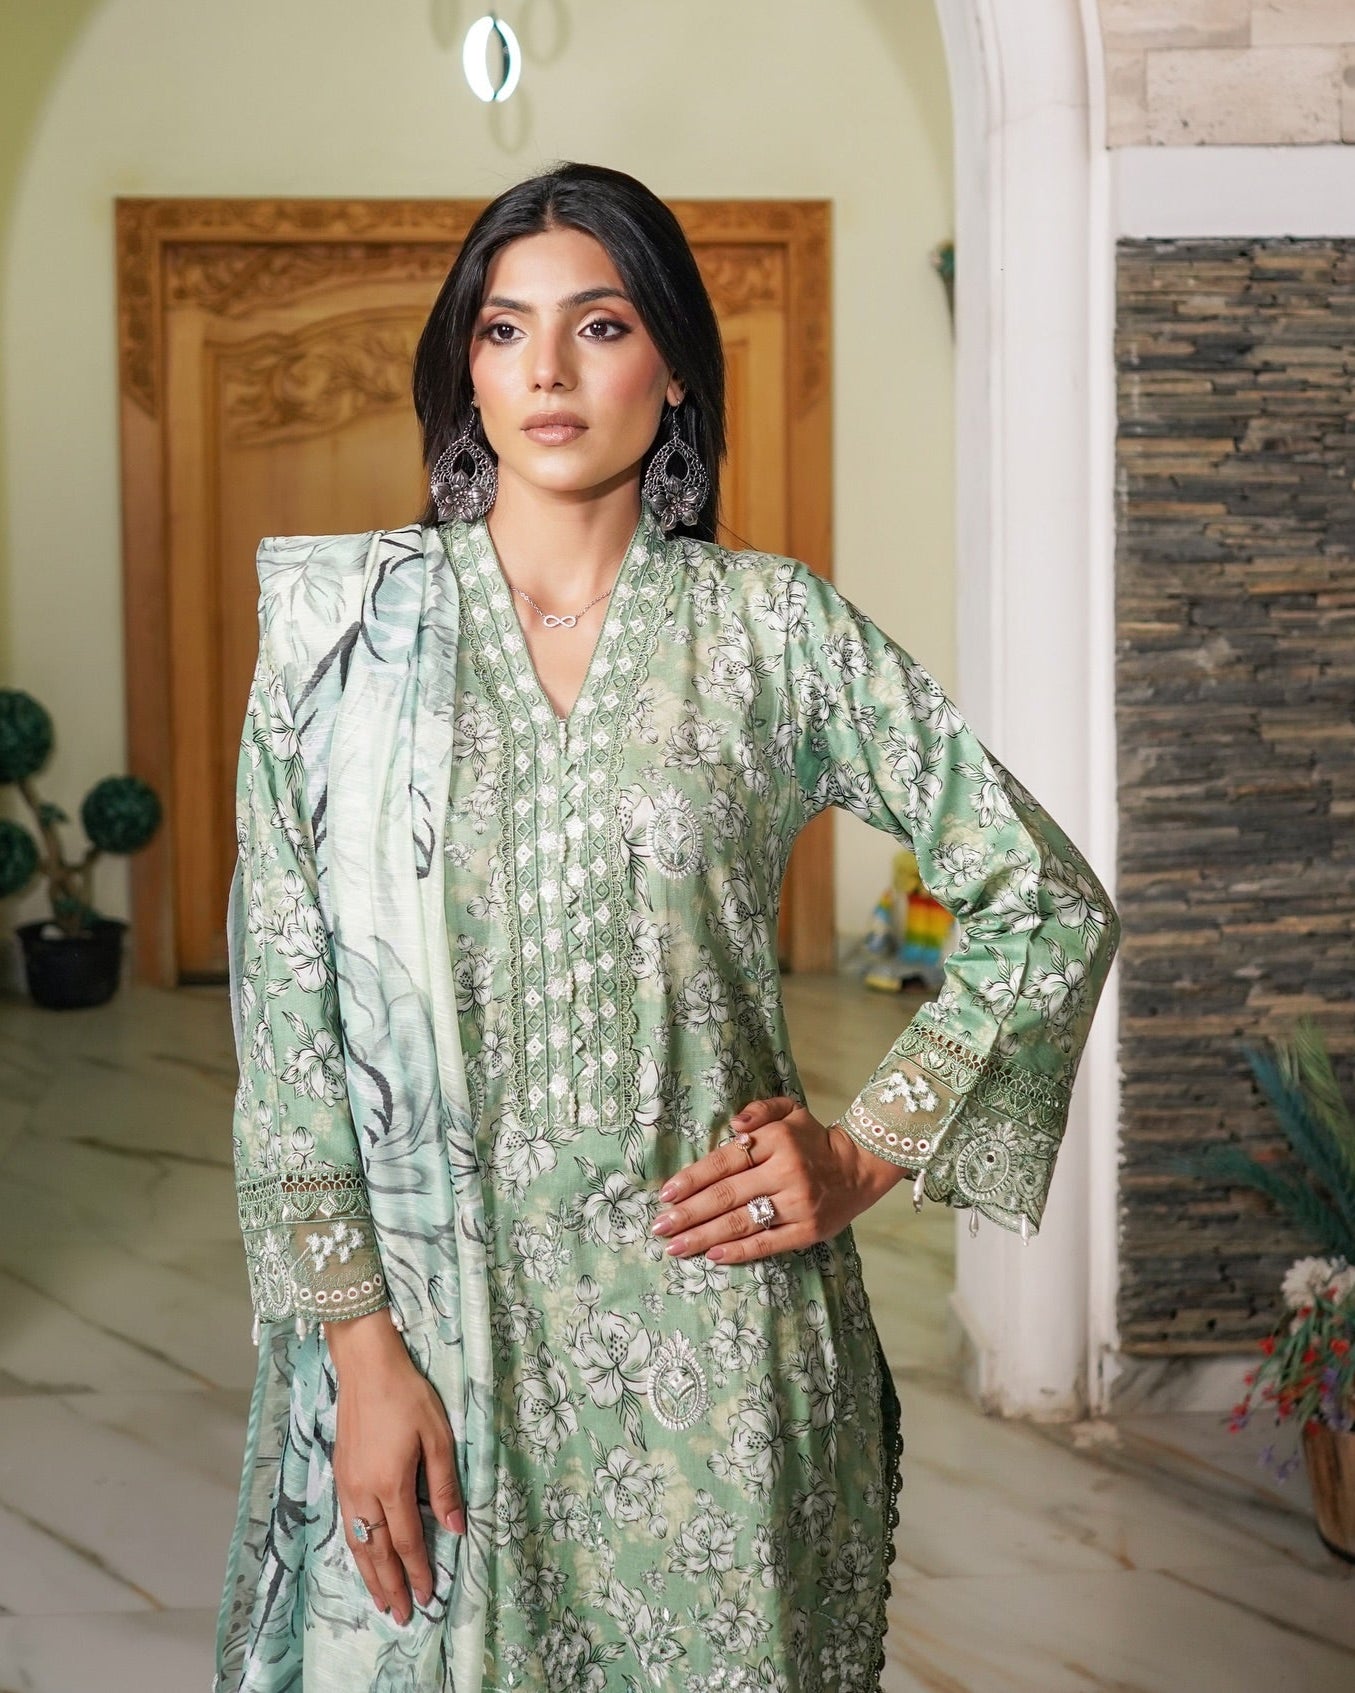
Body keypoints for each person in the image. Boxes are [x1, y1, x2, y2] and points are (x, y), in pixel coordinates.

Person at [215, 161, 1120, 1693]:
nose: (548, 371)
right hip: (429, 1352)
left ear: (675, 367)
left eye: (601, 324)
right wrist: (358, 1354)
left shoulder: (772, 630)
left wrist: (868, 1150)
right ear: (465, 371)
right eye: (504, 331)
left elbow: (1041, 895)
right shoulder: (341, 643)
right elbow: (289, 1025)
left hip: (719, 1363)